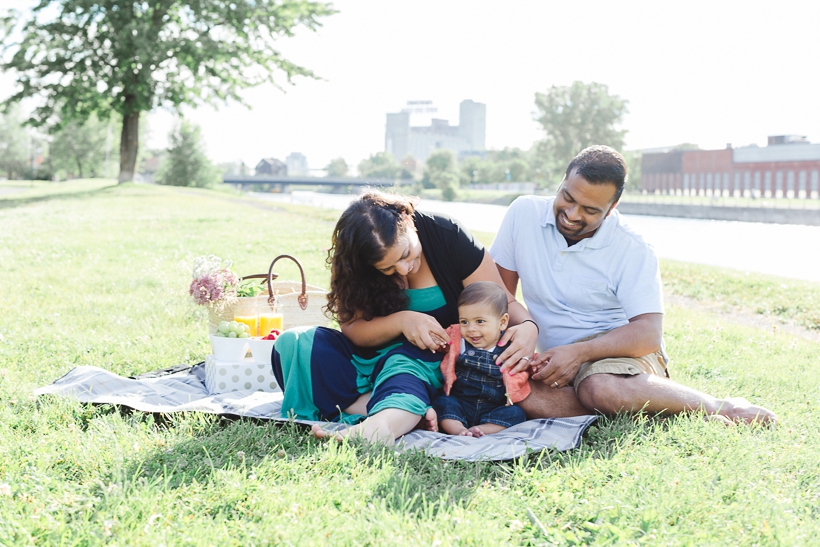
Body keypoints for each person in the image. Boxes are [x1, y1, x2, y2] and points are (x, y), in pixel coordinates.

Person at [491, 145, 777, 426]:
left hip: (616, 355)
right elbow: (497, 295)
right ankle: (656, 409)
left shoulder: (633, 247)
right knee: (525, 397)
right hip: (555, 361)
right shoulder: (523, 213)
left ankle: (719, 408)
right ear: (562, 182)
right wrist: (522, 338)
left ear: (612, 208)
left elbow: (649, 333)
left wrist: (579, 353)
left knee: (599, 389)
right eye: (568, 197)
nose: (573, 214)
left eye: (590, 210)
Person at [272, 190, 539, 444]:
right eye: (386, 267)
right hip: (367, 362)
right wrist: (403, 321)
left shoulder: (447, 235)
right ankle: (398, 410)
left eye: (406, 254)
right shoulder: (357, 261)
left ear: (409, 222)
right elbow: (353, 329)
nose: (403, 268)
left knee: (402, 362)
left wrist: (528, 326)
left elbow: (503, 299)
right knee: (295, 343)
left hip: (422, 361)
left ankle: (380, 427)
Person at [433, 281, 527, 437]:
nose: (471, 329)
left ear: (502, 322)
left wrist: (536, 365)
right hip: (460, 402)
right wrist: (434, 338)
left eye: (480, 321)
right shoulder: (458, 338)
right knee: (442, 402)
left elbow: (526, 360)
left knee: (516, 413)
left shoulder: (509, 345)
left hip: (493, 408)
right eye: (464, 322)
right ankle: (458, 429)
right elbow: (439, 338)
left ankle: (485, 429)